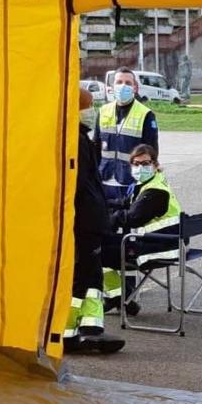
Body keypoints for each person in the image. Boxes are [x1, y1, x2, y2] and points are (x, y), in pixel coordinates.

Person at [62, 87, 124, 354]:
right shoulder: (76, 141)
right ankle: (81, 331)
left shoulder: (79, 139)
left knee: (86, 279)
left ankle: (81, 330)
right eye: (88, 107)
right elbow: (80, 187)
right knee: (86, 278)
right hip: (86, 222)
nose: (92, 112)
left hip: (88, 219)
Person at [101, 144, 182, 315]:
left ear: (155, 164)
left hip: (159, 247)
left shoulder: (155, 192)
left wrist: (107, 219)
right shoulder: (149, 182)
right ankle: (121, 298)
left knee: (95, 251)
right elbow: (127, 203)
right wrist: (101, 204)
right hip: (156, 241)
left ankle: (120, 298)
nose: (140, 167)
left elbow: (132, 217)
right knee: (97, 244)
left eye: (145, 163)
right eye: (136, 164)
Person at [94, 67, 159, 203]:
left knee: (128, 220)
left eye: (128, 83)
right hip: (105, 179)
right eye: (119, 82)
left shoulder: (146, 114)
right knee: (105, 222)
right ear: (112, 87)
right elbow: (95, 146)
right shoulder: (103, 111)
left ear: (135, 88)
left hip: (131, 181)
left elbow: (152, 151)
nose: (123, 86)